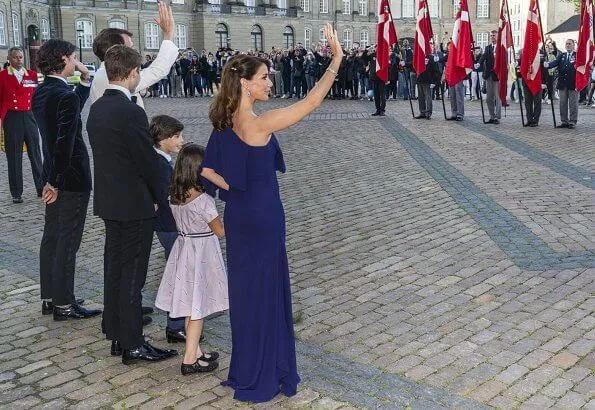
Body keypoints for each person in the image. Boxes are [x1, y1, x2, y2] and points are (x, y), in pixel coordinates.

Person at [200, 23, 342, 403]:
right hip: (263, 217)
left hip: (240, 215)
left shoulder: (224, 121)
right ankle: (264, 372)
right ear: (245, 82)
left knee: (247, 292)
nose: (270, 82)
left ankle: (249, 367)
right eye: (264, 77)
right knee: (265, 293)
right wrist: (336, 60)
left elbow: (208, 170)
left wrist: (234, 188)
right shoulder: (258, 123)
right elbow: (311, 103)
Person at [87, 45, 177, 365]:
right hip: (134, 205)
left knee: (115, 270)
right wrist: (157, 197)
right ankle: (133, 344)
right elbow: (146, 161)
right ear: (133, 73)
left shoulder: (97, 108)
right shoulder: (131, 111)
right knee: (132, 276)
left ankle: (117, 334)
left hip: (110, 203)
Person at [33, 39, 102, 321]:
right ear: (63, 59)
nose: (76, 62)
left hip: (53, 171)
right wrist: (57, 182)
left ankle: (50, 296)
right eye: (73, 58)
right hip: (69, 177)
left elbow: (68, 113)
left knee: (52, 236)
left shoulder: (43, 91)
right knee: (67, 241)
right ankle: (64, 303)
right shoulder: (65, 96)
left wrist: (85, 81)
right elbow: (65, 141)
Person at [155, 143, 228, 376]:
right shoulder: (203, 200)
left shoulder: (174, 196)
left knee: (189, 302)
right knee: (198, 308)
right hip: (202, 253)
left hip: (184, 249)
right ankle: (189, 360)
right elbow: (220, 231)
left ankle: (195, 351)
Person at [90, 2, 177, 108]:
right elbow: (156, 71)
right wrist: (168, 34)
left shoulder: (106, 73)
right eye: (129, 48)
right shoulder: (110, 76)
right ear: (117, 49)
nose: (133, 52)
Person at [149, 115, 188, 342]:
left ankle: (176, 323)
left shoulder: (161, 160)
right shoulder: (160, 165)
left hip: (167, 224)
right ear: (163, 139)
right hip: (170, 225)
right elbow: (169, 197)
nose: (181, 140)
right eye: (177, 136)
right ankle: (175, 325)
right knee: (179, 272)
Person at [0, 47, 44, 203]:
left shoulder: (31, 75)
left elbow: (37, 97)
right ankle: (16, 192)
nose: (19, 60)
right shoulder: (3, 76)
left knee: (36, 154)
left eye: (21, 57)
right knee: (14, 156)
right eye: (15, 57)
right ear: (9, 59)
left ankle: (41, 187)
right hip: (12, 118)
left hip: (29, 116)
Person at [544, 39, 579, 129]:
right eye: (566, 44)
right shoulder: (562, 55)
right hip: (562, 83)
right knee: (562, 103)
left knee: (573, 103)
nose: (567, 45)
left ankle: (572, 121)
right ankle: (564, 121)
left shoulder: (577, 55)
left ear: (573, 45)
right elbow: (554, 63)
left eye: (569, 44)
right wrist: (547, 64)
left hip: (573, 83)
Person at [477, 30, 502, 124]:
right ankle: (492, 116)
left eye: (494, 35)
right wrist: (478, 63)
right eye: (491, 35)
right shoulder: (487, 48)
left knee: (497, 97)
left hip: (497, 76)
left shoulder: (501, 48)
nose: (492, 37)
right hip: (488, 76)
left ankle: (497, 117)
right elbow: (483, 57)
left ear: (497, 37)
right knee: (488, 98)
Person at [415, 42, 442, 120]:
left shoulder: (432, 58)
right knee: (420, 97)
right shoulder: (419, 56)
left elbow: (436, 71)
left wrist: (434, 82)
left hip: (428, 80)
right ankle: (422, 112)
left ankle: (428, 113)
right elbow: (413, 65)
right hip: (420, 79)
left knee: (428, 97)